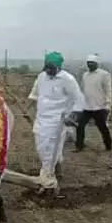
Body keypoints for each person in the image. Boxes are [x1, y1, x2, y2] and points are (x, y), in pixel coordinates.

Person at [28, 51, 84, 181]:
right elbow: (35, 95)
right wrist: (29, 109)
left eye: (51, 68)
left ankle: (47, 176)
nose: (48, 70)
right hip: (41, 119)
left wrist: (73, 116)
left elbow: (79, 99)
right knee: (41, 147)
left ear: (59, 67)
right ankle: (54, 168)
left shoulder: (68, 79)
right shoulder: (41, 77)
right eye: (46, 67)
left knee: (51, 149)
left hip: (57, 121)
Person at [75, 54, 112, 152]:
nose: (90, 65)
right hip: (86, 106)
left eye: (92, 63)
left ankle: (108, 145)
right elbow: (82, 89)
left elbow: (108, 90)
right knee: (80, 126)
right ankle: (79, 146)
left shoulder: (104, 74)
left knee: (102, 127)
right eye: (88, 63)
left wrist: (107, 104)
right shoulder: (85, 75)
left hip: (99, 107)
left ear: (97, 63)